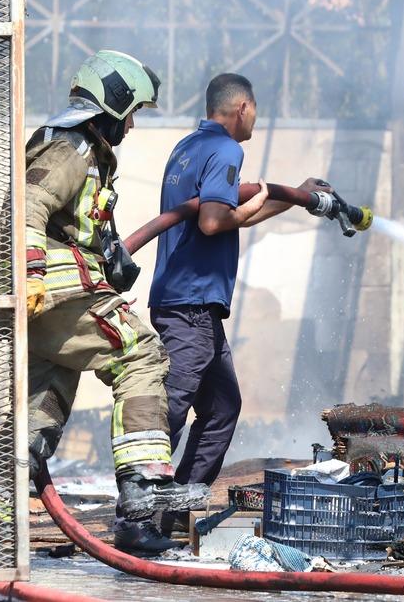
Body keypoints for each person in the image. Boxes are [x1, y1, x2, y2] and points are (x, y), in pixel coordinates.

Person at [0, 51, 207, 561]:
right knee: (141, 354)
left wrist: (110, 258)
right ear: (110, 105)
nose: (132, 124)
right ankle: (144, 486)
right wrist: (30, 278)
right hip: (56, 297)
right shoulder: (70, 147)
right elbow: (31, 206)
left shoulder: (87, 153)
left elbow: (71, 225)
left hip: (49, 303)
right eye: (130, 111)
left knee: (38, 414)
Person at [148, 73, 331, 496]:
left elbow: (225, 212)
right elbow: (215, 221)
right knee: (173, 406)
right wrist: (270, 202)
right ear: (242, 108)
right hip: (190, 306)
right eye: (256, 113)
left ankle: (176, 504)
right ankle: (137, 508)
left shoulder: (187, 148)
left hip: (190, 304)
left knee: (221, 408)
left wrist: (296, 196)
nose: (255, 123)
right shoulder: (226, 149)